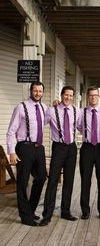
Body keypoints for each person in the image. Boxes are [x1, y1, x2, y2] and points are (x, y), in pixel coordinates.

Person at [6, 82, 47, 226]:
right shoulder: (21, 107)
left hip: (39, 148)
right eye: (35, 91)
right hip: (24, 147)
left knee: (41, 178)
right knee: (22, 183)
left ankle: (29, 210)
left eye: (40, 91)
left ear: (43, 92)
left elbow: (54, 116)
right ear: (31, 91)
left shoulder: (44, 108)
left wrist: (58, 103)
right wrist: (11, 152)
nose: (37, 93)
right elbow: (11, 132)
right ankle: (25, 217)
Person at [39, 86, 78, 226]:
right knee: (53, 181)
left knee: (69, 180)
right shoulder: (51, 110)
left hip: (72, 149)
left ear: (73, 97)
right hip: (58, 148)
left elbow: (83, 126)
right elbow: (39, 124)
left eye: (71, 95)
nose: (68, 97)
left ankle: (65, 212)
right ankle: (47, 215)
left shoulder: (76, 111)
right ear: (61, 95)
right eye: (66, 95)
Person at [77, 86, 100, 220]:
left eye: (95, 95)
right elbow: (78, 126)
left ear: (99, 96)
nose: (93, 97)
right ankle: (85, 210)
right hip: (87, 147)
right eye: (90, 95)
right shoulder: (81, 112)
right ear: (87, 97)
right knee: (85, 180)